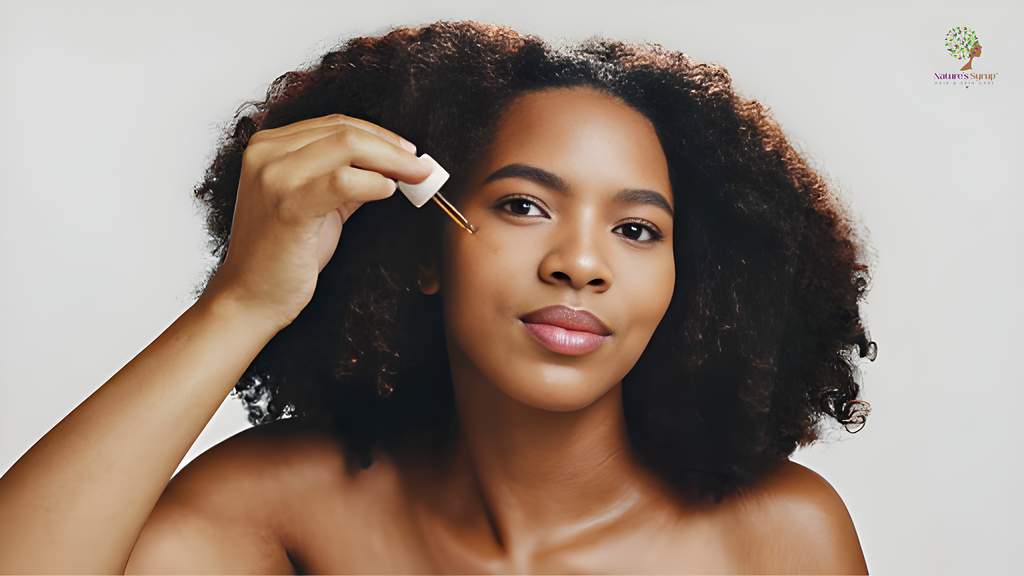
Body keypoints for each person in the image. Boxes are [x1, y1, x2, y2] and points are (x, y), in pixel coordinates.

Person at [0, 21, 874, 574]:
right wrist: (240, 302)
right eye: (524, 205)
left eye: (637, 230)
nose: (580, 263)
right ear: (425, 250)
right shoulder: (277, 507)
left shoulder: (778, 538)